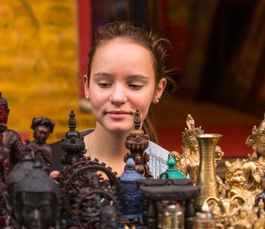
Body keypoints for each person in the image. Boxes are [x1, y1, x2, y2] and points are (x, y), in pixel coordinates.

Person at [51, 21, 177, 178]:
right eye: (104, 84)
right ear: (87, 86)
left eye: (135, 85)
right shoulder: (48, 164)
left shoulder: (172, 173)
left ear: (158, 90)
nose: (118, 97)